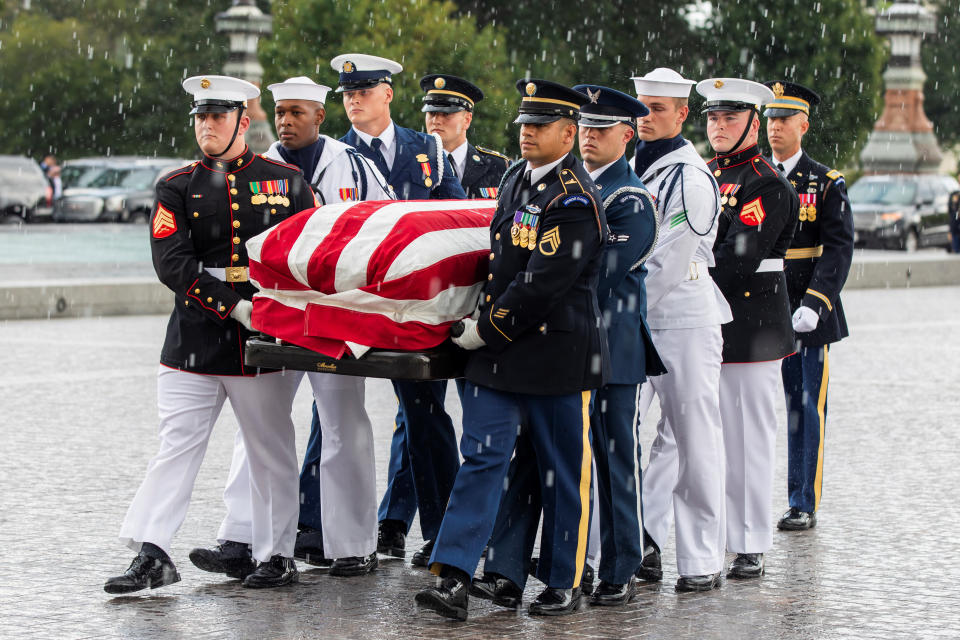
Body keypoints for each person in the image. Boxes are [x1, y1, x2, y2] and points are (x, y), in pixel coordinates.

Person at [104, 75, 314, 593]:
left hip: (260, 336)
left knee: (269, 449)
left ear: (243, 122)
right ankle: (151, 551)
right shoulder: (175, 185)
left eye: (217, 116)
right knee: (175, 447)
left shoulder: (284, 180)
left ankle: (275, 554)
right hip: (194, 335)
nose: (206, 126)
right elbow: (172, 263)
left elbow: (312, 251)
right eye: (200, 116)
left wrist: (271, 310)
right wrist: (230, 305)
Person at [415, 79, 607, 621]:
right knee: (483, 460)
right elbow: (497, 258)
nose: (526, 133)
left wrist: (485, 330)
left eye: (539, 126)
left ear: (568, 134)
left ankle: (563, 579)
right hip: (499, 356)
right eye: (524, 124)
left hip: (555, 357)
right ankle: (454, 574)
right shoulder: (515, 179)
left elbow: (543, 284)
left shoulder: (574, 198)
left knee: (561, 471)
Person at [189, 76, 394, 580]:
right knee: (258, 428)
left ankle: (353, 546)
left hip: (338, 313)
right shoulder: (257, 168)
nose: (285, 122)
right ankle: (242, 539)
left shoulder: (355, 165)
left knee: (344, 425)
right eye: (280, 113)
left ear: (320, 117)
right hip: (276, 313)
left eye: (297, 113)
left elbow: (387, 223)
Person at [471, 84, 661, 609]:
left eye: (603, 130)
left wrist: (528, 304)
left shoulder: (631, 201)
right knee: (532, 460)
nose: (594, 138)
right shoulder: (536, 183)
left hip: (608, 350)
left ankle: (621, 565)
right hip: (546, 348)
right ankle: (507, 570)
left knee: (613, 459)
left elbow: (594, 277)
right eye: (589, 129)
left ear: (627, 135)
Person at [332, 53, 467, 567]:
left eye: (364, 90)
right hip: (354, 305)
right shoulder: (334, 154)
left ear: (387, 93)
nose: (353, 100)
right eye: (347, 93)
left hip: (414, 305)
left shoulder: (426, 146)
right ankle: (317, 528)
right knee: (335, 417)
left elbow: (451, 210)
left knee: (426, 414)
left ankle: (442, 532)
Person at [629, 68, 732, 593]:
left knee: (693, 438)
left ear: (681, 114)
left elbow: (668, 259)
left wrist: (622, 305)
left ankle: (700, 557)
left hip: (684, 315)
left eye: (657, 109)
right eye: (640, 107)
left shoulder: (691, 178)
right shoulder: (627, 166)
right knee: (623, 435)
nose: (646, 118)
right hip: (636, 317)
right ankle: (635, 544)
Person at [699, 77, 799, 580]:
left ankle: (751, 540)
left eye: (730, 118)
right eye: (713, 118)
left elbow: (738, 256)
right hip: (707, 322)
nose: (718, 127)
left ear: (753, 124)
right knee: (707, 441)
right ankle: (714, 538)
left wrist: (684, 275)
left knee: (749, 439)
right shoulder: (703, 172)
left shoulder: (766, 181)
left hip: (751, 328)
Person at [763, 80, 854, 531]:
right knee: (755, 407)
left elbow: (838, 248)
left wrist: (816, 303)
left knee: (804, 407)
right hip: (761, 309)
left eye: (783, 119)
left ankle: (802, 501)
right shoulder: (757, 177)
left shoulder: (824, 182)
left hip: (805, 312)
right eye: (770, 119)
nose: (774, 127)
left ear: (804, 125)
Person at [420, 73, 509, 199]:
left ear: (467, 119)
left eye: (446, 114)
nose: (436, 121)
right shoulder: (413, 162)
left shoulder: (498, 166)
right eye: (431, 113)